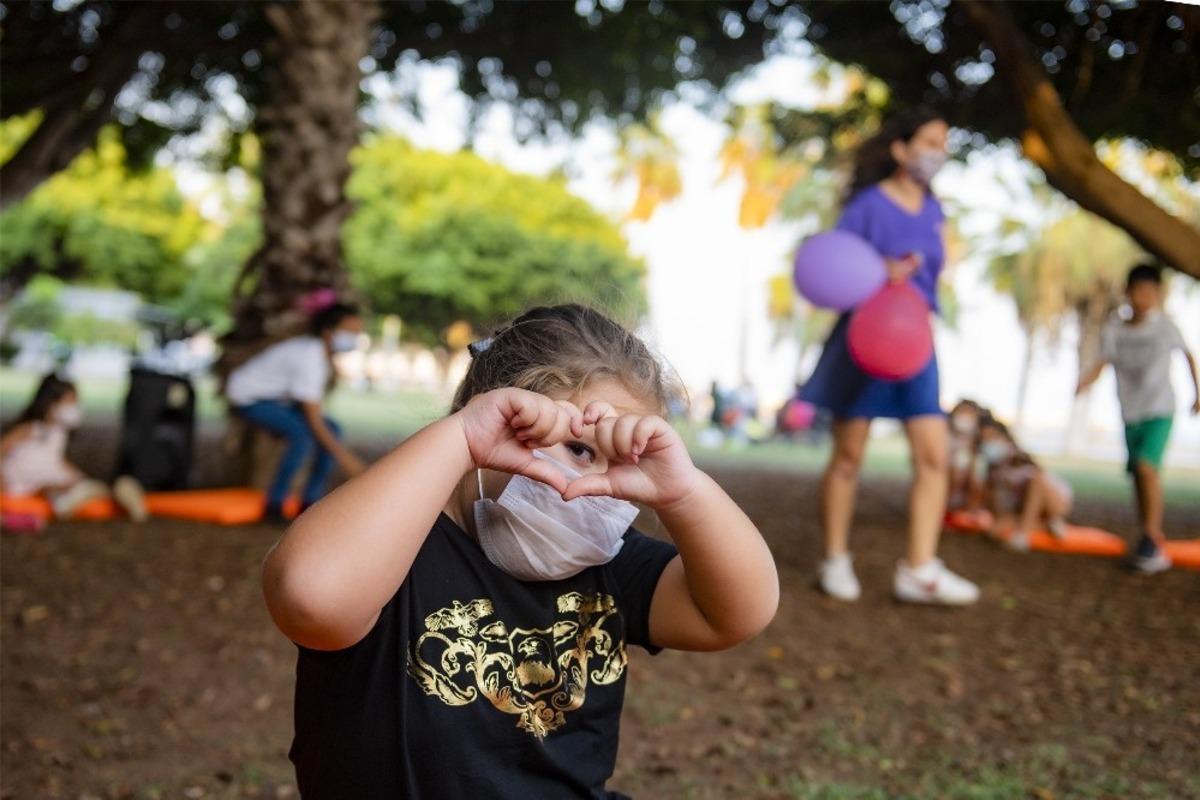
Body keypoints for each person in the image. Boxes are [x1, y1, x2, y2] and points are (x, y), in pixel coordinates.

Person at [262, 304, 779, 797]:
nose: (593, 485)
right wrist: (462, 437)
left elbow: (736, 614)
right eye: (579, 449)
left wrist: (686, 492)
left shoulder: (608, 560)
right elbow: (311, 598)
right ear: (500, 415)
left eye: (621, 462)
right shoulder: (391, 544)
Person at [799, 106, 978, 605]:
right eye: (929, 141)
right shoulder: (867, 205)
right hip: (865, 340)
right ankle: (834, 560)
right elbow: (839, 267)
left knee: (934, 455)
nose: (937, 153)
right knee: (849, 456)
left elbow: (937, 268)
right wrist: (881, 270)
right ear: (901, 149)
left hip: (914, 340)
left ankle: (920, 570)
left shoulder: (935, 207)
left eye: (944, 144)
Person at [1076, 263, 1200, 573]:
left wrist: (1198, 392)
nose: (1144, 298)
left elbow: (1188, 355)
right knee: (1138, 476)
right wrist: (1083, 382)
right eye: (1138, 292)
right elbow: (1102, 361)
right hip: (1130, 412)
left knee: (1147, 468)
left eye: (1150, 292)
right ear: (1127, 294)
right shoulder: (1115, 330)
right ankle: (1147, 535)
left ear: (1158, 295)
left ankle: (1153, 539)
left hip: (1160, 409)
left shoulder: (1165, 327)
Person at [225, 298, 367, 523]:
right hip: (248, 397)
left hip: (276, 398)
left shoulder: (319, 354)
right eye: (350, 331)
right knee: (302, 435)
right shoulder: (309, 357)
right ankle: (275, 504)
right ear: (328, 331)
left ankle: (310, 504)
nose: (355, 338)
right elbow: (313, 420)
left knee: (333, 429)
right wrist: (346, 459)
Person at [0, 373, 146, 522]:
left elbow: (55, 460)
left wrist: (77, 475)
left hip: (50, 482)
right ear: (51, 403)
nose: (74, 407)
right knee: (81, 490)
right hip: (30, 486)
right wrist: (3, 485)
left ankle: (122, 492)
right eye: (70, 401)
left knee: (91, 488)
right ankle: (118, 493)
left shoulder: (58, 433)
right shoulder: (31, 429)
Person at [976, 415, 1073, 552]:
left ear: (1004, 438)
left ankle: (1024, 533)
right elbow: (999, 507)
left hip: (1054, 502)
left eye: (991, 437)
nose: (988, 443)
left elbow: (1039, 482)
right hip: (1026, 510)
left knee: (1036, 481)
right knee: (995, 529)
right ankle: (1045, 523)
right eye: (984, 439)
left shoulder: (1019, 458)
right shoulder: (993, 472)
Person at [946, 399, 986, 512]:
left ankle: (968, 512)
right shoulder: (944, 436)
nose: (965, 417)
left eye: (970, 413)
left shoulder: (976, 441)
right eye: (962, 412)